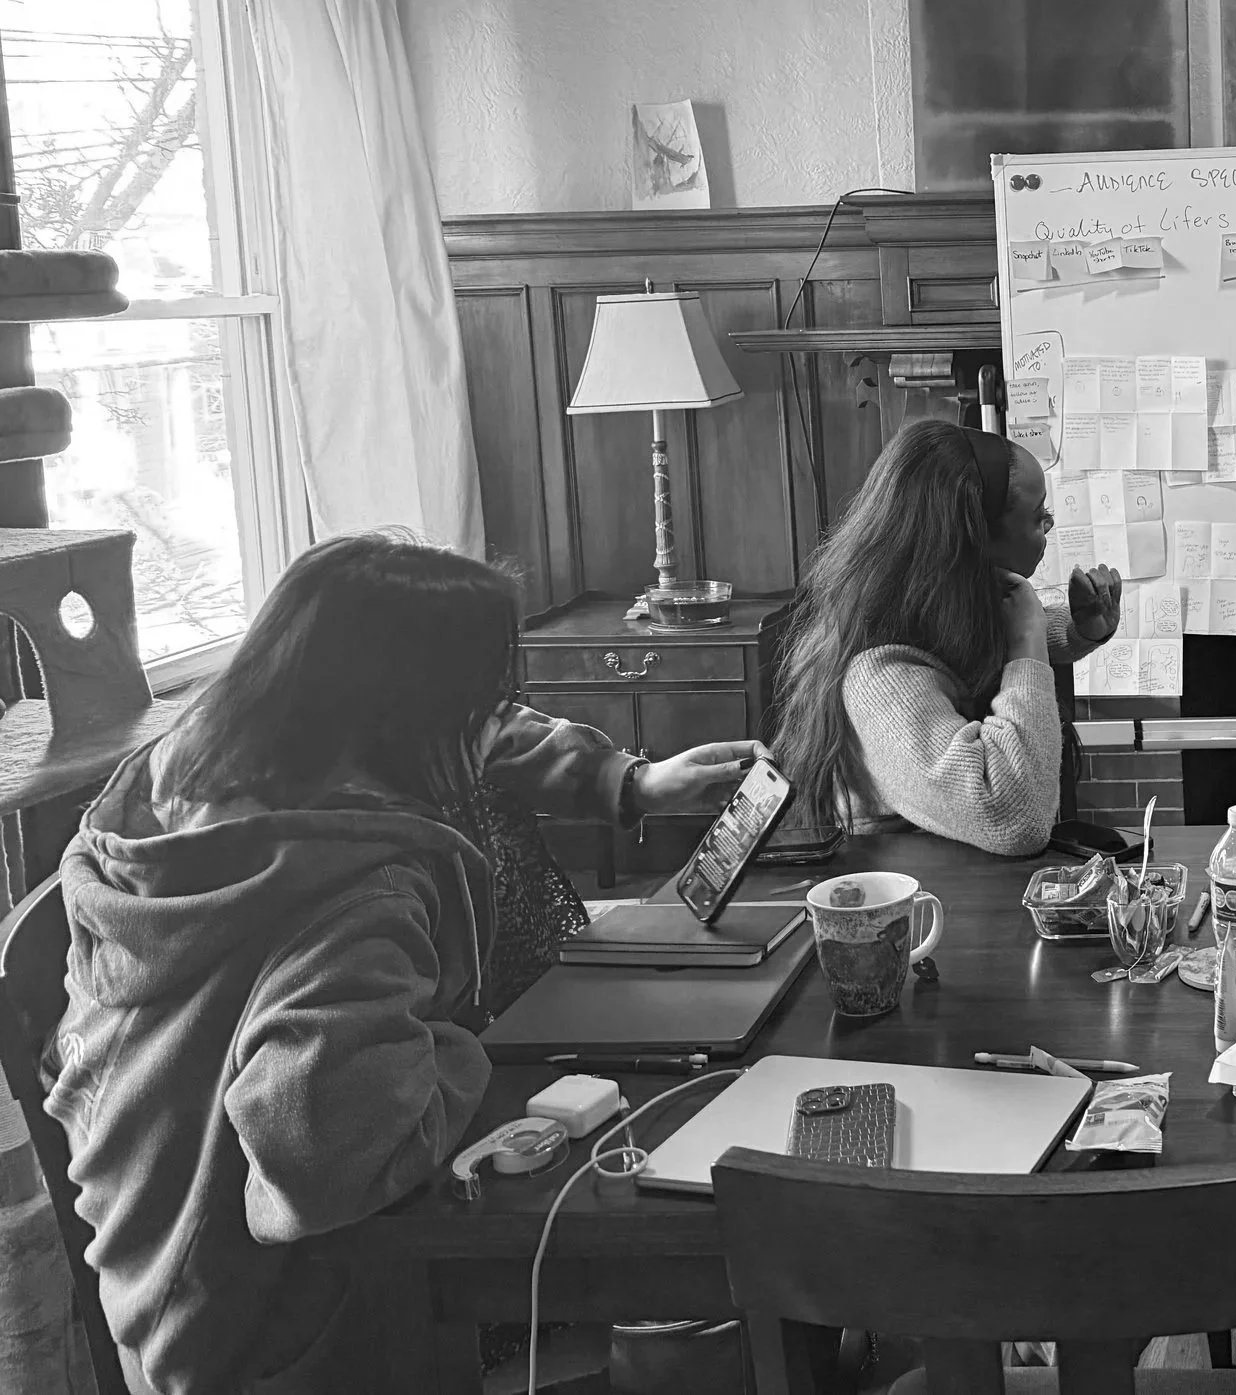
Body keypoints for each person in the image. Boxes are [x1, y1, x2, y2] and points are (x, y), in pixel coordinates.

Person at [45, 532, 754, 1395]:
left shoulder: (184, 786)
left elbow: (499, 738)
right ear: (415, 717)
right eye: (482, 703)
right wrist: (456, 1046)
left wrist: (628, 780)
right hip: (283, 1335)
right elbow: (325, 1162)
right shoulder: (352, 897)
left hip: (154, 1285)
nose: (497, 719)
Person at [774, 420, 1123, 856]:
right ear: (973, 536)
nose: (1049, 524)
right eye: (1037, 516)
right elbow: (1013, 817)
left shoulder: (925, 600)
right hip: (921, 898)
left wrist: (1077, 629)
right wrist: (1028, 637)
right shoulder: (878, 679)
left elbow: (982, 642)